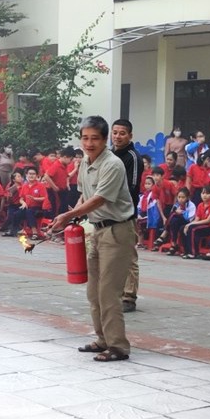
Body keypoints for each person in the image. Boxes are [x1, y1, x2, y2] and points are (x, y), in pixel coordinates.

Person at [51, 116, 137, 362]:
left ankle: (118, 346)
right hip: (96, 229)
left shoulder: (113, 164)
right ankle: (103, 339)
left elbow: (100, 198)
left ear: (105, 139)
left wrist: (68, 216)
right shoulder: (85, 163)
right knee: (93, 290)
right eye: (85, 138)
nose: (89, 143)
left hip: (117, 231)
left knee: (109, 291)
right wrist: (72, 217)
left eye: (95, 138)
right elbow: (84, 196)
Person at [111, 119, 145, 312]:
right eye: (115, 132)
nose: (117, 136)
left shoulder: (133, 157)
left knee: (128, 257)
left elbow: (132, 188)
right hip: (107, 214)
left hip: (125, 214)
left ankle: (129, 297)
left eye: (122, 133)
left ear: (130, 136)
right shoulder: (109, 155)